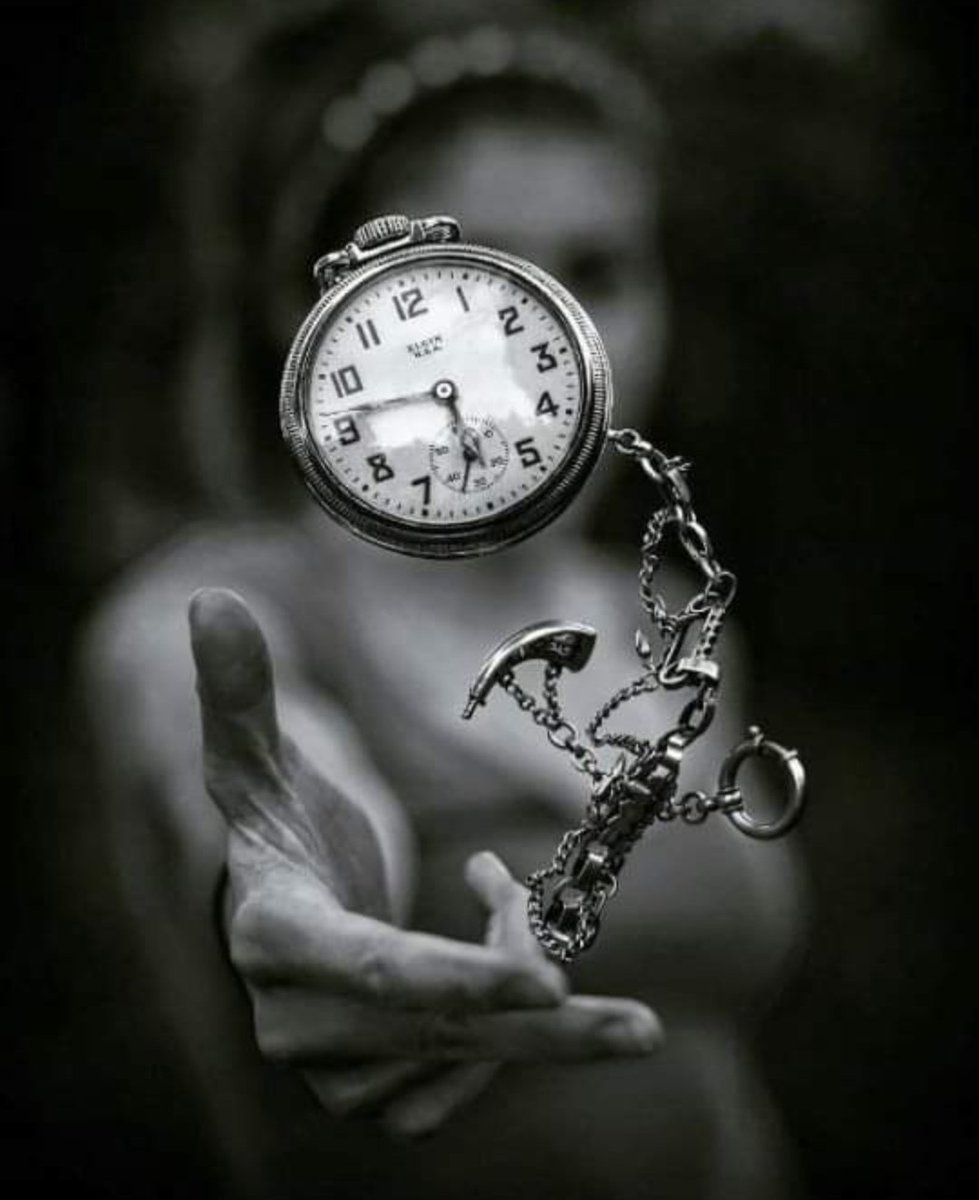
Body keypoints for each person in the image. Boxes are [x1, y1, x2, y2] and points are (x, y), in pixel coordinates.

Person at [79, 7, 806, 1198]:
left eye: (598, 270)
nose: (551, 347)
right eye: (473, 278)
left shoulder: (661, 611)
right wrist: (296, 879)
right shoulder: (207, 617)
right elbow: (266, 788)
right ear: (325, 320)